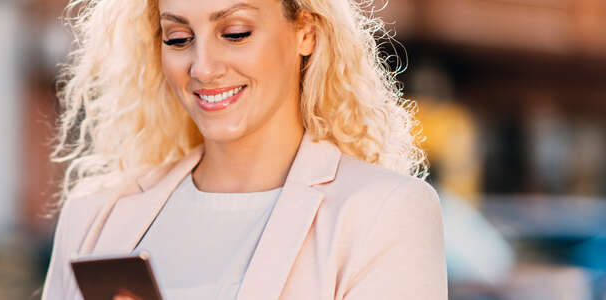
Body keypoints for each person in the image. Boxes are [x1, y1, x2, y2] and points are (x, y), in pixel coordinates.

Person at [42, 0, 446, 298]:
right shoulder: (95, 215)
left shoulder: (383, 211)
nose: (202, 67)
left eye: (235, 33)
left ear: (305, 32)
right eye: (179, 38)